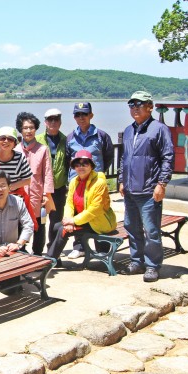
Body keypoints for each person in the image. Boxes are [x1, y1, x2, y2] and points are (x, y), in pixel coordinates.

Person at [119, 91, 175, 283]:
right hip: (130, 189)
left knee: (151, 230)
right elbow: (124, 159)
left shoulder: (159, 129)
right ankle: (136, 261)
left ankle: (152, 265)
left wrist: (162, 183)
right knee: (131, 227)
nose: (135, 108)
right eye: (132, 104)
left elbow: (168, 157)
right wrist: (121, 180)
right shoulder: (128, 130)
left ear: (150, 106)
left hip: (149, 189)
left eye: (139, 104)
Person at [46, 150, 117, 267]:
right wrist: (68, 219)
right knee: (56, 227)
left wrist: (73, 221)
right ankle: (55, 258)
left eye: (85, 164)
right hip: (83, 221)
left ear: (91, 165)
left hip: (99, 222)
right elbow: (69, 203)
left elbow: (96, 209)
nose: (81, 167)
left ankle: (49, 261)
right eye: (77, 164)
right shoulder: (74, 181)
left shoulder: (99, 183)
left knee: (63, 231)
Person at [65, 102, 113, 259]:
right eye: (78, 115)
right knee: (78, 212)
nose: (81, 117)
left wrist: (99, 174)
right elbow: (67, 159)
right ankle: (79, 247)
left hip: (95, 184)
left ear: (91, 115)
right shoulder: (70, 137)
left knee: (97, 212)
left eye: (84, 114)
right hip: (77, 183)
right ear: (74, 117)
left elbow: (108, 157)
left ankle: (102, 248)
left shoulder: (102, 135)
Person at [16, 112, 55, 256]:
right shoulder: (15, 150)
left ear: (36, 129)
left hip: (37, 193)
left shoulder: (42, 149)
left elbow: (47, 173)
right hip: (20, 194)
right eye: (25, 128)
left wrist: (46, 194)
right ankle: (21, 252)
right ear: (20, 129)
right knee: (20, 224)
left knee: (39, 224)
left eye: (31, 127)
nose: (28, 131)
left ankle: (38, 253)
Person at [36, 109, 69, 254]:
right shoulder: (37, 140)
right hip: (40, 189)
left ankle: (53, 252)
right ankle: (37, 252)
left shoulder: (66, 140)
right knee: (40, 222)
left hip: (59, 188)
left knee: (56, 223)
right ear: (45, 122)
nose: (53, 122)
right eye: (50, 120)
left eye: (56, 119)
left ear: (60, 122)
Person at [0, 126, 37, 229]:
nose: (6, 141)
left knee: (17, 229)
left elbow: (28, 180)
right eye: (2, 138)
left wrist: (9, 188)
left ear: (14, 143)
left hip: (16, 198)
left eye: (10, 139)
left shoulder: (19, 157)